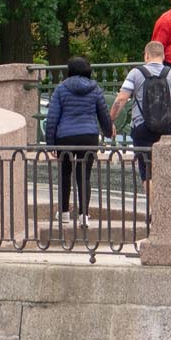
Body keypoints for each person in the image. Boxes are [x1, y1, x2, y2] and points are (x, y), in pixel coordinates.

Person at [110, 41, 171, 185]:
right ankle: (167, 204)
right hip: (169, 128)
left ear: (146, 55)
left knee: (147, 174)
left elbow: (121, 99)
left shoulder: (136, 73)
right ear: (163, 56)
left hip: (142, 127)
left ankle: (153, 206)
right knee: (167, 171)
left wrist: (110, 120)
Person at [44, 56, 113, 227]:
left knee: (65, 174)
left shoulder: (61, 89)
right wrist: (108, 131)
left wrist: (50, 143)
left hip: (65, 137)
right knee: (84, 176)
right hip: (88, 136)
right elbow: (103, 113)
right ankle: (84, 215)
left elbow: (52, 117)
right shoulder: (95, 89)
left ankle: (64, 213)